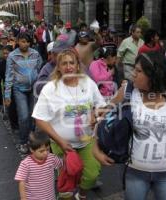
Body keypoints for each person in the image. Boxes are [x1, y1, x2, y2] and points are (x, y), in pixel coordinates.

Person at [93, 51, 166, 200]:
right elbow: (104, 119)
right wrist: (95, 148)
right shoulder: (128, 92)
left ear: (154, 74)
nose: (133, 74)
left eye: (138, 71)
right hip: (134, 172)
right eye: (134, 69)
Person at [32, 49, 106, 200]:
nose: (68, 66)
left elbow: (101, 105)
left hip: (87, 140)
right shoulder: (51, 88)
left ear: (78, 65)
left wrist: (95, 114)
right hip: (62, 144)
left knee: (92, 174)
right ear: (58, 67)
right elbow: (39, 119)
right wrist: (60, 141)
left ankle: (82, 195)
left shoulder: (88, 83)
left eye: (72, 62)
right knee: (67, 182)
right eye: (64, 63)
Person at [4, 32, 43, 154]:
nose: (24, 44)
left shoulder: (35, 54)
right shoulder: (12, 56)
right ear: (17, 42)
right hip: (19, 90)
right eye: (22, 41)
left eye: (26, 41)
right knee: (24, 116)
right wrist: (7, 95)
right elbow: (9, 76)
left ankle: (31, 138)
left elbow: (40, 68)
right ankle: (23, 141)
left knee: (33, 115)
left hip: (33, 89)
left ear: (30, 42)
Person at [15, 131, 63, 200]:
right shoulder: (26, 164)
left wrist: (61, 179)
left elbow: (61, 164)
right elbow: (21, 181)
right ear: (32, 149)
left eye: (48, 149)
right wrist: (23, 198)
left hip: (50, 196)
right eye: (41, 151)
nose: (46, 153)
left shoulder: (51, 158)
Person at [0, 45, 18, 130]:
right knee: (12, 108)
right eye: (3, 54)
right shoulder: (1, 64)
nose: (5, 55)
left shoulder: (17, 61)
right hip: (8, 88)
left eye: (7, 53)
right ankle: (14, 126)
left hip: (19, 87)